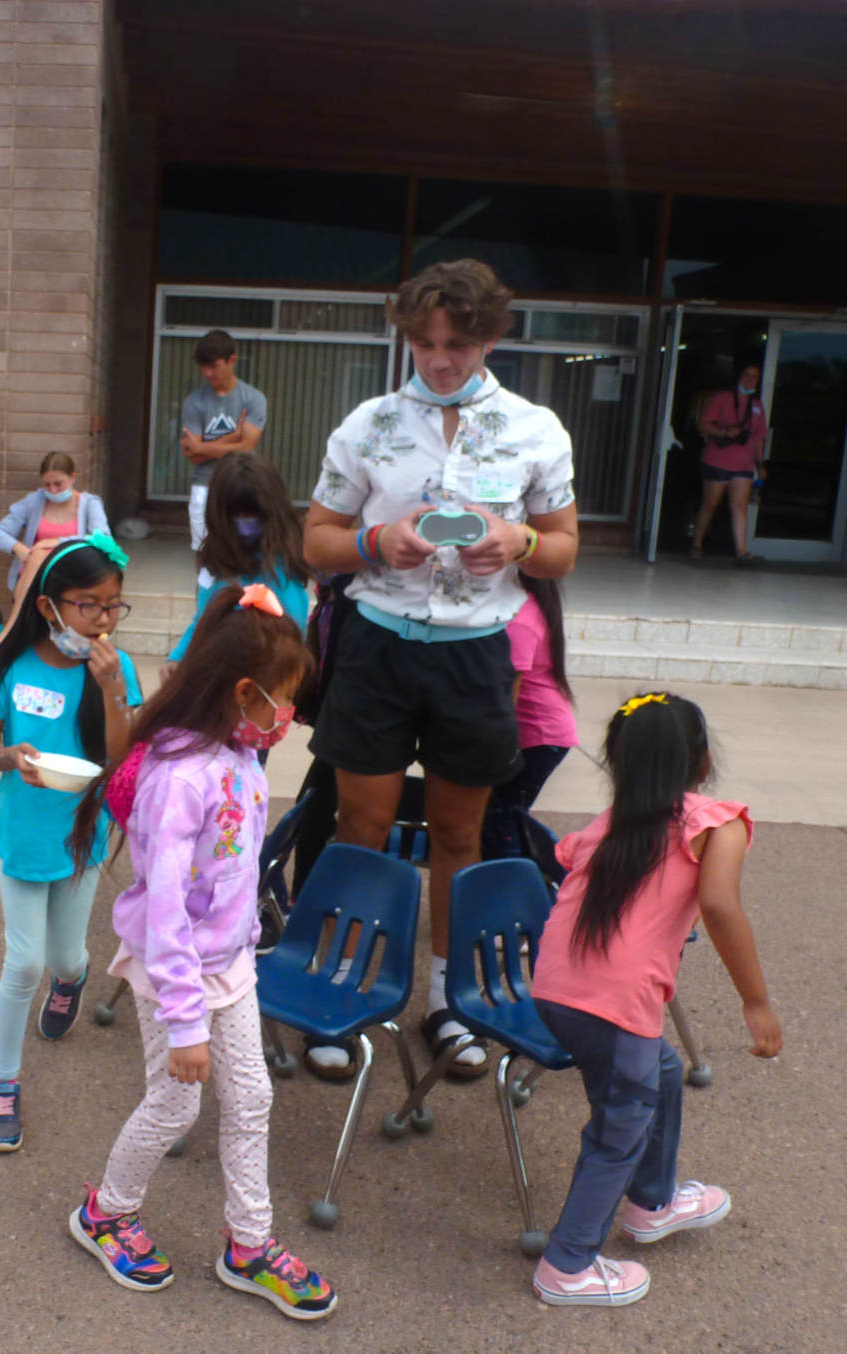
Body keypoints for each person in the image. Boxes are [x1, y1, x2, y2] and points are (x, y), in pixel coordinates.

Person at [303, 259, 578, 1078]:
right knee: (359, 828)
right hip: (378, 644)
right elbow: (314, 537)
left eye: (456, 344)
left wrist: (522, 542)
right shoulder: (370, 424)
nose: (437, 360)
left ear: (492, 338)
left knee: (460, 834)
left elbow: (562, 550)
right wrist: (371, 543)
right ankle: (343, 988)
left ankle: (448, 1001)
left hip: (474, 654)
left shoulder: (536, 429)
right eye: (423, 343)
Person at [65, 586, 336, 1321]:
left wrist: (242, 947)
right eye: (284, 698)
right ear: (244, 693)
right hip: (173, 976)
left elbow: (234, 872)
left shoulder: (242, 755)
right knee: (176, 1104)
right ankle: (106, 1213)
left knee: (251, 1098)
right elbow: (163, 915)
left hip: (231, 965)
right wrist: (186, 1022)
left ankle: (249, 1244)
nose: (289, 715)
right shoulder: (181, 777)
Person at [530, 691, 782, 1307]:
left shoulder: (606, 826)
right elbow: (719, 906)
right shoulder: (715, 822)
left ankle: (653, 1201)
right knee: (621, 1123)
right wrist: (756, 1001)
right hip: (615, 1005)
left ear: (617, 763)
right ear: (700, 764)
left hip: (554, 991)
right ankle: (568, 1265)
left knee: (662, 1073)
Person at [0, 534, 142, 1153]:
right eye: (89, 605)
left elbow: (123, 759)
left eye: (113, 605)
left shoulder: (116, 667)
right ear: (49, 608)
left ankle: (74, 981)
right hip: (22, 835)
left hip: (82, 837)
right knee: (24, 963)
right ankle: (2, 1084)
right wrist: (9, 756)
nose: (103, 619)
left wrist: (115, 687)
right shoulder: (13, 667)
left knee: (65, 959)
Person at [165, 452, 310, 668]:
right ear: (219, 514)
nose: (246, 522)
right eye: (237, 514)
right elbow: (203, 620)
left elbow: (291, 632)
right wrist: (178, 657)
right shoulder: (215, 560)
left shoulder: (280, 567)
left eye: (253, 514)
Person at [479, 574, 578, 859]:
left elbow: (508, 694)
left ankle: (509, 886)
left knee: (498, 818)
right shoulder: (530, 607)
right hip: (542, 734)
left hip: (538, 737)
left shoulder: (521, 617)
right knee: (501, 816)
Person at [0, 452, 111, 661]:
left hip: (69, 572)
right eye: (47, 485)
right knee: (37, 556)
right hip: (35, 572)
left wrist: (59, 542)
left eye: (58, 484)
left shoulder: (89, 503)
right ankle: (12, 636)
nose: (52, 490)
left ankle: (6, 635)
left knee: (40, 554)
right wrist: (18, 548)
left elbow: (103, 538)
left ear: (74, 477)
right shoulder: (34, 501)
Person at [180, 330, 267, 555]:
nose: (208, 372)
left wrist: (201, 446)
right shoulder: (194, 402)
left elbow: (246, 449)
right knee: (204, 555)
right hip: (204, 486)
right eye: (203, 366)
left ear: (232, 361)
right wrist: (232, 437)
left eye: (214, 365)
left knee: (244, 554)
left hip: (242, 486)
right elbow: (193, 457)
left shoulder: (253, 399)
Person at [690, 361, 768, 564]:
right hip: (717, 460)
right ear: (738, 377)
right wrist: (724, 432)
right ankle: (696, 544)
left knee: (740, 507)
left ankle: (741, 552)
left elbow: (759, 438)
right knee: (710, 503)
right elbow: (703, 424)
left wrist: (760, 466)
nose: (750, 380)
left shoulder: (757, 405)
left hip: (743, 464)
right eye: (746, 375)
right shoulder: (723, 398)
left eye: (754, 376)